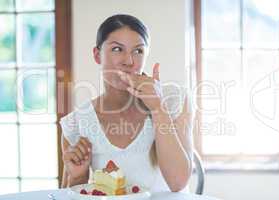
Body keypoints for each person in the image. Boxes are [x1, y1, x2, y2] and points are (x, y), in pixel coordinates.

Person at [60, 14, 194, 192]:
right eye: (117, 49)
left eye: (138, 51)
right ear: (97, 55)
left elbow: (178, 183)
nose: (129, 61)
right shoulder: (77, 123)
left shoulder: (173, 99)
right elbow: (66, 195)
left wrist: (157, 108)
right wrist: (77, 177)